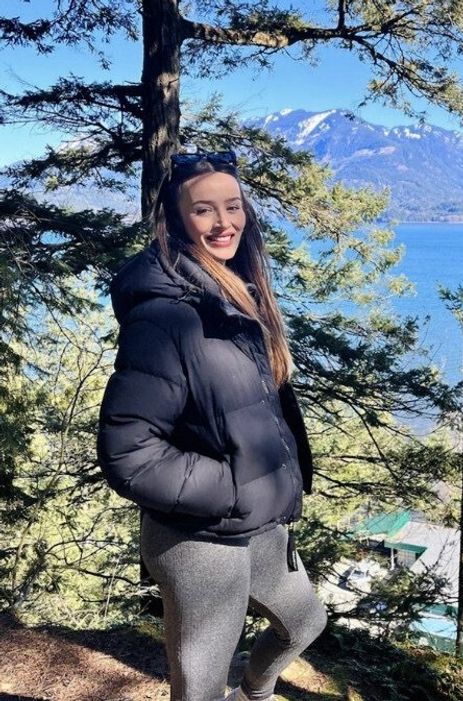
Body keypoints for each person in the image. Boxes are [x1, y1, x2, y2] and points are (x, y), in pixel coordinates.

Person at [97, 150, 326, 701]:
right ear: (177, 221)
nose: (225, 223)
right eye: (204, 211)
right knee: (199, 687)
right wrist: (231, 489)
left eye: (233, 206)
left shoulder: (235, 293)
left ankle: (254, 693)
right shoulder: (165, 316)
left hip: (260, 524)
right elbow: (129, 452)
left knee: (305, 623)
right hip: (198, 538)